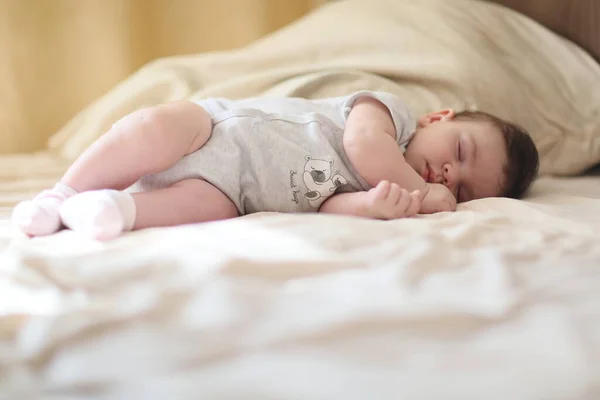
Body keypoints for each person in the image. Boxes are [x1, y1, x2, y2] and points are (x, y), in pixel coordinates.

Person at [11, 91, 539, 240]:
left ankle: (113, 209)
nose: (450, 175)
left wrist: (373, 207)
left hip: (234, 188)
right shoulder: (389, 116)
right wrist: (422, 198)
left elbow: (331, 205)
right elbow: (362, 147)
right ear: (439, 117)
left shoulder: (391, 189)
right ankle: (60, 193)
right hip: (213, 126)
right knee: (149, 129)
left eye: (465, 189)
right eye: (460, 153)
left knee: (201, 209)